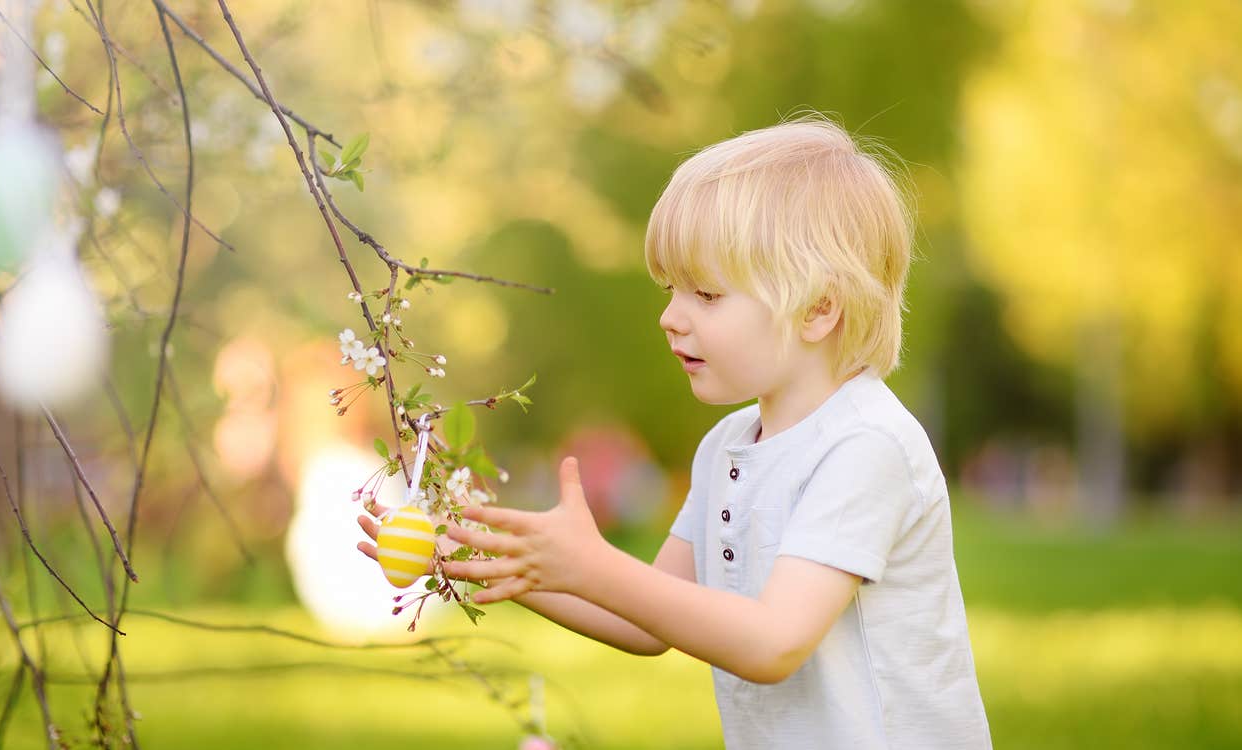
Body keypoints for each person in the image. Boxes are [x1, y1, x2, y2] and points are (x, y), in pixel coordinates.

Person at [358, 114, 992, 749]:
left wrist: (591, 564)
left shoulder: (865, 445)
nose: (669, 317)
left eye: (706, 295)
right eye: (670, 290)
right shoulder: (728, 447)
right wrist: (482, 553)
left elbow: (773, 643)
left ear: (820, 308)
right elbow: (645, 620)